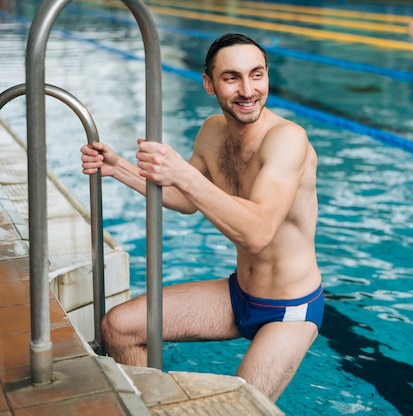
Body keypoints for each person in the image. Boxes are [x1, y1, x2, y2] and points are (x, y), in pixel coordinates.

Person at [80, 33, 324, 402]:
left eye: (256, 75)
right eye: (232, 78)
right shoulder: (212, 131)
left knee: (235, 408)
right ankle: (154, 409)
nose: (247, 90)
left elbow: (257, 232)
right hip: (239, 294)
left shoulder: (287, 139)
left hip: (289, 308)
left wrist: (184, 173)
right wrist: (120, 169)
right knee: (119, 327)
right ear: (209, 84)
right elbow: (185, 198)